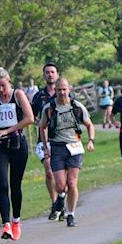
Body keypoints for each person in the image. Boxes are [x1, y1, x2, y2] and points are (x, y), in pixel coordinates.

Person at [0, 67, 33, 240]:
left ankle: (16, 220)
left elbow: (29, 118)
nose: (1, 90)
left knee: (15, 185)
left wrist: (9, 130)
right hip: (0, 145)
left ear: (9, 81)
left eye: (3, 86)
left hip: (18, 144)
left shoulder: (18, 95)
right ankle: (6, 225)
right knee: (3, 184)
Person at [38, 79, 95, 227]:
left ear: (69, 89)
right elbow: (42, 126)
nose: (62, 93)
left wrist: (90, 140)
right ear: (55, 91)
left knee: (72, 182)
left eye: (64, 89)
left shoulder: (77, 106)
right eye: (59, 90)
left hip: (75, 147)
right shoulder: (49, 108)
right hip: (57, 148)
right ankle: (61, 197)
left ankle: (71, 215)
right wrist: (45, 146)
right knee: (61, 185)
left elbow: (89, 125)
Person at [28, 62, 64, 220]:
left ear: (57, 74)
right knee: (49, 171)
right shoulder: (39, 96)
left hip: (62, 139)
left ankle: (62, 201)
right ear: (44, 75)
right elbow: (30, 115)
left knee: (61, 175)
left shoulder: (63, 93)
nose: (50, 74)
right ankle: (54, 203)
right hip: (44, 140)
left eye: (52, 72)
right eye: (47, 72)